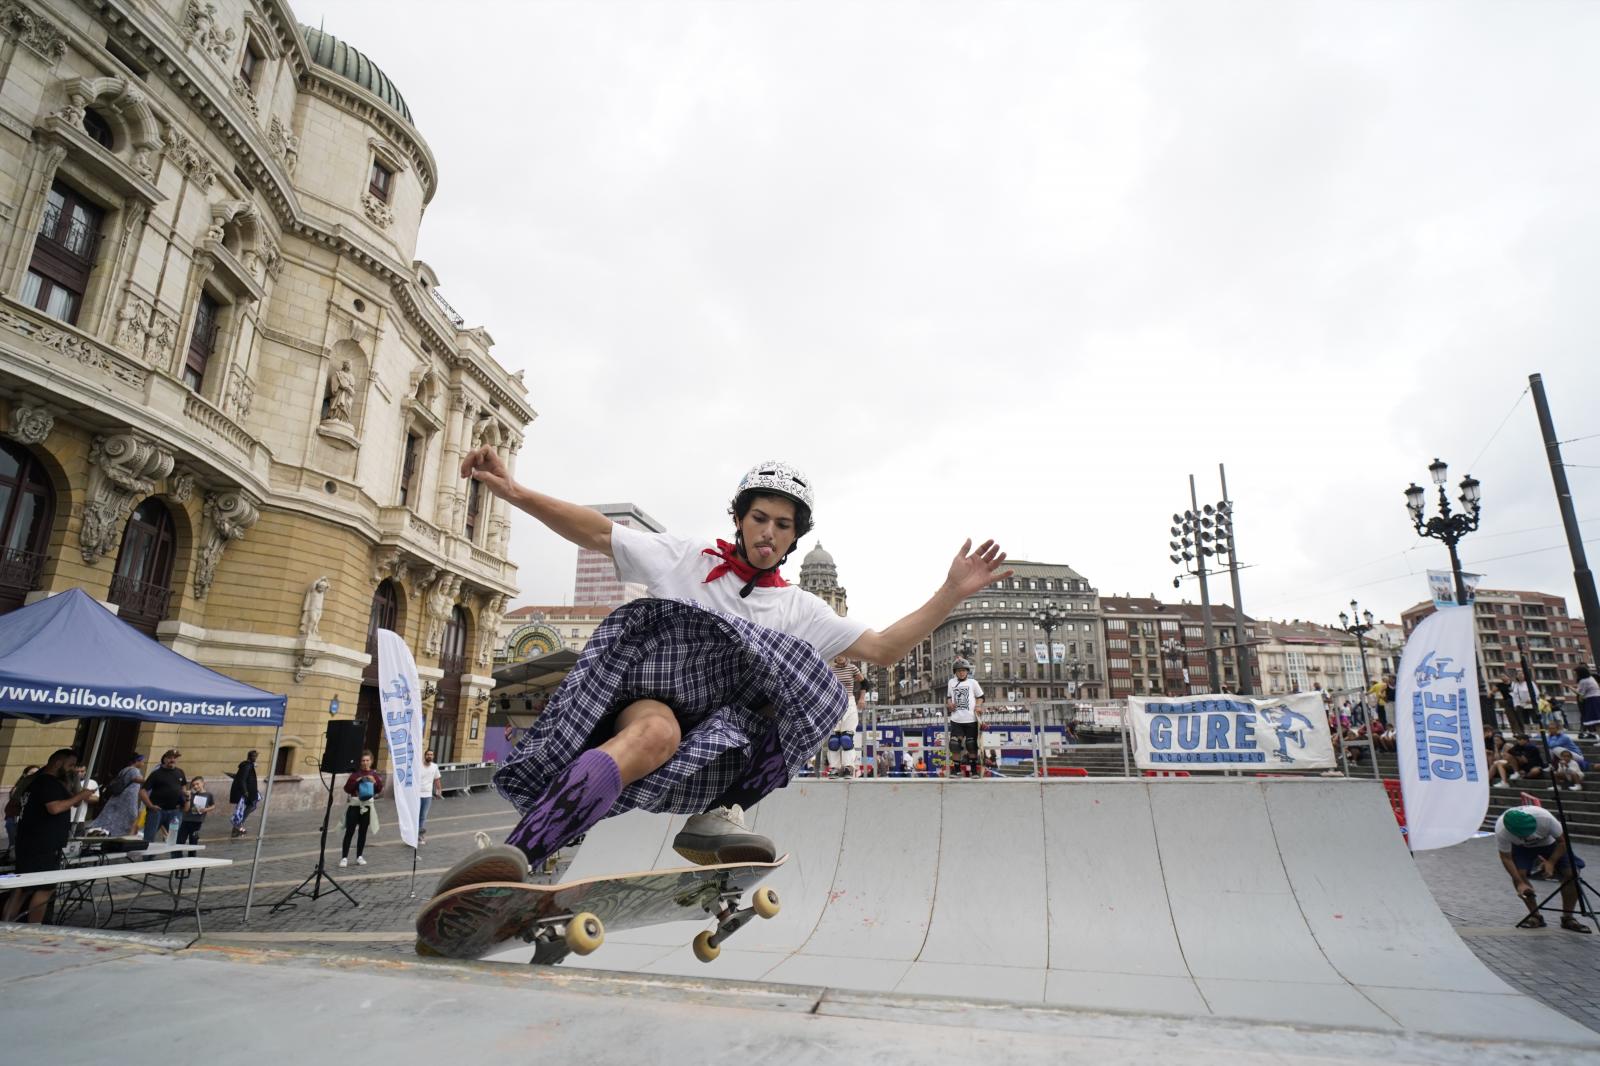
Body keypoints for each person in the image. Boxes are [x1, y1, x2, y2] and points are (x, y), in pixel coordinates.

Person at [432, 447, 1010, 900]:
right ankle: (516, 857)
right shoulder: (688, 558)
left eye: (783, 526)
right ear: (739, 517)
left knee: (821, 687)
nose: (769, 534)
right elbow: (596, 532)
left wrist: (951, 592)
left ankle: (717, 814)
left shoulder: (796, 608)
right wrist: (514, 492)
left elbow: (881, 647)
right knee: (657, 731)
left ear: (793, 537)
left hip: (717, 735)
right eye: (760, 518)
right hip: (648, 697)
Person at [2, 749, 97, 923]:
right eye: (70, 765)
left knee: (22, 888)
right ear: (58, 763)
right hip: (43, 844)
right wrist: (80, 797)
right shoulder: (48, 782)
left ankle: (7, 925)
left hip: (30, 841)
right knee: (44, 888)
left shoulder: (34, 782)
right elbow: (54, 808)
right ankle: (34, 928)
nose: (73, 769)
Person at [1496, 805, 1591, 933]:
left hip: (1551, 843)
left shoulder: (1545, 818)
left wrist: (1551, 862)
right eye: (1525, 834)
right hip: (1521, 848)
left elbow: (1563, 842)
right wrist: (1519, 882)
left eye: (1531, 831)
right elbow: (1506, 858)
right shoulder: (1502, 830)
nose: (1530, 836)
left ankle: (1568, 917)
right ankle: (1535, 916)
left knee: (1571, 873)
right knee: (1520, 875)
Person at [339, 751, 384, 867]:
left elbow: (379, 789)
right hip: (355, 805)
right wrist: (357, 781)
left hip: (367, 806)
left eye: (367, 760)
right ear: (360, 762)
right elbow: (347, 789)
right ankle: (344, 857)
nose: (365, 763)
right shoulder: (355, 774)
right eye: (363, 760)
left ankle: (359, 856)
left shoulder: (374, 775)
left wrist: (374, 782)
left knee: (363, 832)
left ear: (371, 761)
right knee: (350, 831)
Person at [87, 753, 146, 837]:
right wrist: (150, 781)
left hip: (120, 798)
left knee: (114, 817)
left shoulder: (125, 769)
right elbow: (136, 779)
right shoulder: (133, 770)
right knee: (131, 817)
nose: (143, 764)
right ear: (137, 761)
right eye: (142, 762)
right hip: (127, 799)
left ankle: (111, 832)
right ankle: (121, 833)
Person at [947, 658, 984, 779]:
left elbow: (981, 696)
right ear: (955, 672)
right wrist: (949, 703)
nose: (961, 673)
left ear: (967, 671)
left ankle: (974, 771)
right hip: (956, 719)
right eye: (959, 671)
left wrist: (978, 705)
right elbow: (948, 697)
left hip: (971, 719)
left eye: (963, 671)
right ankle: (956, 771)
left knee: (971, 745)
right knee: (954, 745)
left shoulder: (973, 683)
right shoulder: (951, 682)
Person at [141, 749, 187, 844]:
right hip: (157, 811)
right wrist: (150, 806)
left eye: (175, 758)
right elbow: (143, 791)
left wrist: (184, 800)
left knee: (174, 840)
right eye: (170, 758)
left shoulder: (180, 772)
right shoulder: (156, 774)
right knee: (149, 838)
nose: (172, 760)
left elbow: (183, 787)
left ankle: (175, 858)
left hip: (175, 811)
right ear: (164, 759)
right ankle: (147, 858)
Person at [826, 686, 864, 779]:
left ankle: (848, 767)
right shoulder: (829, 670)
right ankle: (835, 768)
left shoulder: (853, 670)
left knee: (846, 739)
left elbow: (864, 683)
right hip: (832, 701)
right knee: (833, 741)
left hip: (848, 701)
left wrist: (862, 698)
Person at [4, 763, 40, 856]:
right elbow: (13, 806)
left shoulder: (39, 786)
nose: (34, 776)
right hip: (17, 817)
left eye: (37, 773)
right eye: (32, 773)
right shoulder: (19, 787)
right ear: (25, 775)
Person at [229, 749, 261, 838]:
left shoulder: (249, 765)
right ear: (249, 756)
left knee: (251, 806)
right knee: (246, 808)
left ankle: (238, 825)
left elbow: (241, 777)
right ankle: (237, 826)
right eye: (253, 756)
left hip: (251, 791)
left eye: (256, 756)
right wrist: (245, 792)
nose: (255, 758)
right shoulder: (247, 766)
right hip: (246, 792)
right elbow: (242, 779)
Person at [177, 776, 216, 846]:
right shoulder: (191, 794)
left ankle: (192, 856)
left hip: (197, 822)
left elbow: (213, 805)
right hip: (186, 820)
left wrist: (206, 809)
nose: (195, 786)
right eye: (193, 785)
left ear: (203, 783)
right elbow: (186, 809)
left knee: (193, 842)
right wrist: (188, 798)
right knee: (180, 841)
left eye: (197, 784)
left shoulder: (208, 795)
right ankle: (178, 856)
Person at [416, 749, 442, 844]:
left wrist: (439, 790)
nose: (429, 756)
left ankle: (420, 836)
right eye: (428, 754)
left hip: (427, 795)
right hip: (417, 795)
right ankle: (412, 834)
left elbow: (437, 779)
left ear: (433, 756)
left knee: (423, 816)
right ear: (425, 756)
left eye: (431, 754)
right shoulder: (418, 766)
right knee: (415, 815)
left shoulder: (434, 767)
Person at [1574, 666, 1600, 741]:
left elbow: (1580, 693)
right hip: (1597, 699)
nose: (1576, 674)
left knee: (1597, 722)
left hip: (1592, 701)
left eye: (1576, 673)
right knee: (1597, 722)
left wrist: (1570, 688)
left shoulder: (1583, 681)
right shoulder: (1591, 678)